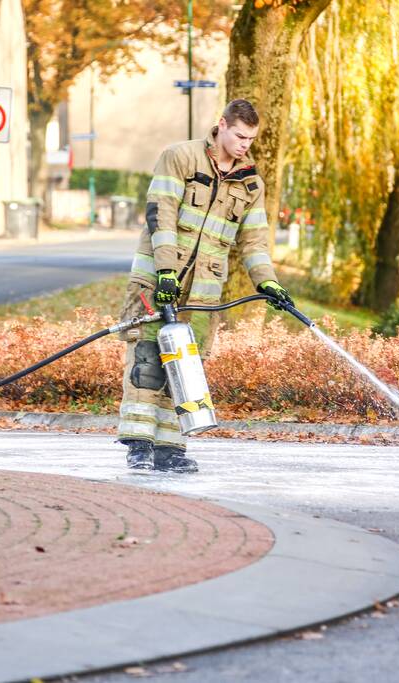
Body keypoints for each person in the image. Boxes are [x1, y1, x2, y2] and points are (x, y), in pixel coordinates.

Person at [115, 99, 294, 473]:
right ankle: (139, 444)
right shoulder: (180, 157)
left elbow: (254, 242)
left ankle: (169, 448)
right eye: (240, 136)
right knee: (147, 360)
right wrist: (166, 272)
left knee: (185, 367)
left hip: (203, 293)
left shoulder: (251, 184)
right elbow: (161, 213)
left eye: (251, 139)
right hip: (155, 280)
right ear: (222, 125)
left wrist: (268, 282)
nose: (245, 145)